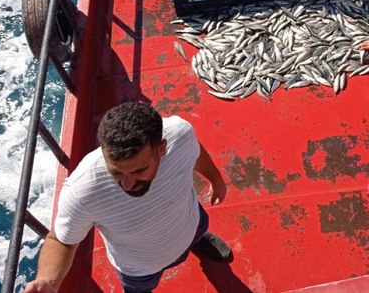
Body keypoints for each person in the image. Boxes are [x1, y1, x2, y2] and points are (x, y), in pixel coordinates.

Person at [23, 102, 231, 293]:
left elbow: (195, 152)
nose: (128, 184)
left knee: (198, 230)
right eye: (117, 173)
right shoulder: (82, 189)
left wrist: (217, 180)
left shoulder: (181, 133)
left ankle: (198, 241)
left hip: (190, 224)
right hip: (140, 270)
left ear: (162, 149)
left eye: (139, 171)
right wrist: (48, 280)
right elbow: (63, 241)